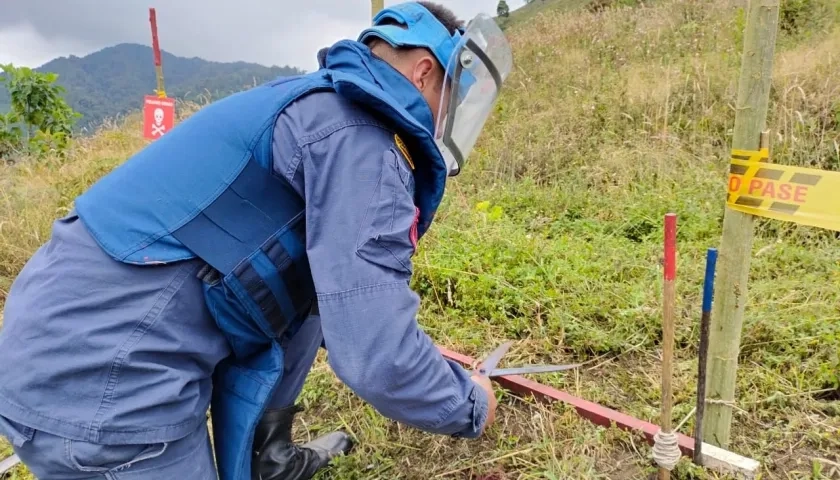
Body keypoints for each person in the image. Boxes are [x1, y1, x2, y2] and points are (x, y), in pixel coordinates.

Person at [0, 2, 513, 479]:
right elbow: (375, 356)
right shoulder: (361, 145)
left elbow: (335, 299)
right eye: (455, 94)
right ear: (424, 71)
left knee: (307, 291)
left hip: (54, 340)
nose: (452, 113)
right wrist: (470, 403)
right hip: (102, 390)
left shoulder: (312, 107)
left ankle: (269, 454)